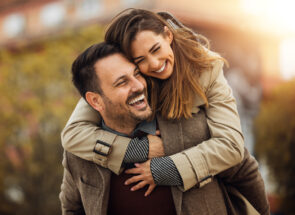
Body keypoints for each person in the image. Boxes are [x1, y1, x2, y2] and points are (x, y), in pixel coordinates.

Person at [60, 42, 268, 215]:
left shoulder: (190, 125)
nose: (139, 85)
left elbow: (245, 173)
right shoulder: (79, 154)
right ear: (95, 101)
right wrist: (138, 149)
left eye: (136, 74)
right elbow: (72, 208)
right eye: (122, 82)